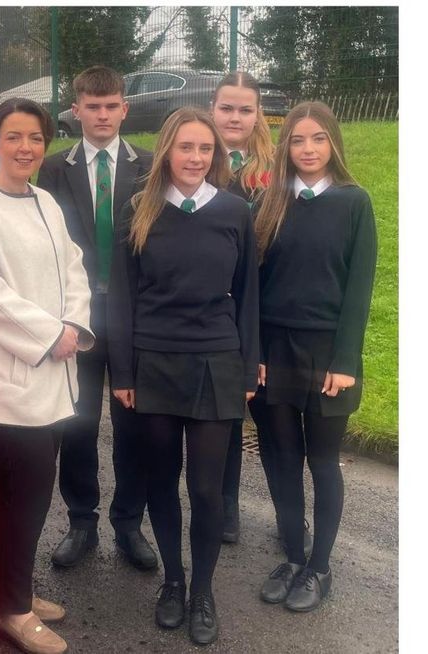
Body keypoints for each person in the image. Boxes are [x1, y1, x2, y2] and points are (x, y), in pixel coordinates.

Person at [108, 107, 259, 646]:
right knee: (161, 483)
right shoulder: (136, 211)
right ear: (167, 151)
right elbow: (122, 296)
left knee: (207, 490)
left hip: (216, 360)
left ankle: (203, 591)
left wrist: (247, 364)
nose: (196, 158)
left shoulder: (236, 212)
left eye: (205, 149)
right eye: (185, 148)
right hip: (154, 361)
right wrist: (122, 369)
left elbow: (248, 297)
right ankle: (172, 582)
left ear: (215, 155)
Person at [0, 97, 93, 654]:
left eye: (35, 138)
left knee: (20, 498)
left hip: (53, 372)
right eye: (13, 137)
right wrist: (49, 335)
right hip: (7, 382)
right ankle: (10, 608)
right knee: (18, 501)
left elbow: (74, 267)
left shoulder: (46, 203)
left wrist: (76, 325)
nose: (25, 148)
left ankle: (10, 590)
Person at [252, 101, 376, 613]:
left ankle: (319, 567)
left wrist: (345, 361)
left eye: (317, 139)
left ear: (333, 144)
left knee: (321, 461)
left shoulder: (354, 202)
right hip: (274, 352)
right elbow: (254, 286)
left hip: (328, 356)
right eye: (298, 140)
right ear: (286, 147)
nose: (307, 149)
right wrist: (253, 351)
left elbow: (359, 288)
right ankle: (293, 555)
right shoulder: (269, 201)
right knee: (281, 458)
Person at [37, 65, 157, 570]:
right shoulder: (53, 168)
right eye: (92, 106)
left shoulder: (151, 166)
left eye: (111, 106)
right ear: (76, 110)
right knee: (78, 424)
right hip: (79, 317)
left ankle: (129, 524)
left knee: (134, 426)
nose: (102, 114)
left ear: (124, 109)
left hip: (133, 318)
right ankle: (82, 521)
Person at [209, 70, 277, 546]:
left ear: (258, 116)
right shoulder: (194, 160)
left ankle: (283, 516)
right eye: (226, 108)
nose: (235, 117)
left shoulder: (274, 174)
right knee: (220, 413)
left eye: (245, 109)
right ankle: (219, 503)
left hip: (264, 308)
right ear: (213, 109)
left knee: (260, 416)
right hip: (212, 311)